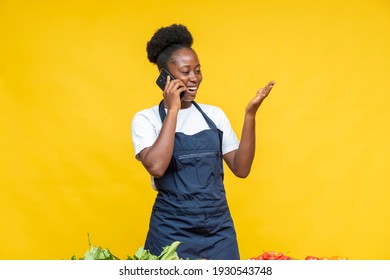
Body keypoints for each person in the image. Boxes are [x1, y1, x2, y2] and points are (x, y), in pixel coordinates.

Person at [131, 23, 275, 260]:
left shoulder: (214, 115)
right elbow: (156, 167)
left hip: (218, 229)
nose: (194, 78)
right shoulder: (146, 119)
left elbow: (241, 169)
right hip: (170, 231)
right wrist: (174, 109)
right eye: (185, 72)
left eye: (197, 70)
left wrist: (250, 114)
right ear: (164, 77)